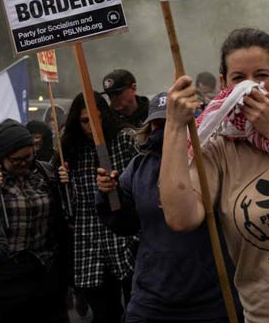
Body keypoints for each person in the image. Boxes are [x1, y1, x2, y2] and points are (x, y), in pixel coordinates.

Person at [160, 28, 269, 323]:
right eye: (239, 78)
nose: (250, 88)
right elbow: (181, 217)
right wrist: (175, 127)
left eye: (262, 75)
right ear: (223, 84)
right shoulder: (218, 147)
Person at [96, 92, 239, 323]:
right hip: (152, 298)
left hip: (212, 299)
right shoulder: (139, 166)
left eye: (174, 122)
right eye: (159, 123)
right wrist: (109, 194)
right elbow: (124, 224)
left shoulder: (215, 162)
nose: (166, 129)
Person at [0, 121, 68, 323]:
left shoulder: (45, 173)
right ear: (1, 157)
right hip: (7, 277)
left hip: (45, 271)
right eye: (16, 160)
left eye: (28, 157)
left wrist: (63, 184)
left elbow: (62, 213)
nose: (23, 163)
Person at [61, 91, 137, 323]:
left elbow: (142, 181)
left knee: (135, 308)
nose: (92, 126)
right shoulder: (71, 150)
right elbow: (69, 209)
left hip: (124, 235)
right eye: (85, 121)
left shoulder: (125, 139)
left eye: (97, 118)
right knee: (105, 314)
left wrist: (118, 187)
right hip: (90, 238)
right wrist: (63, 182)